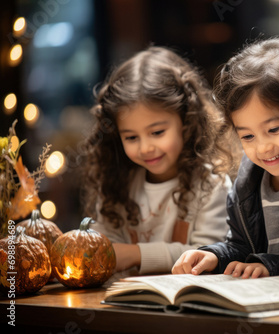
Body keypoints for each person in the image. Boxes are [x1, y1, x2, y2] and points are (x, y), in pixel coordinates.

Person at [172, 37, 279, 278]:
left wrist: (269, 266)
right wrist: (214, 255)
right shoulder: (247, 184)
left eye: (274, 130)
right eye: (247, 136)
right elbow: (241, 248)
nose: (263, 147)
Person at [80, 46, 236, 275]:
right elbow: (105, 246)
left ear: (186, 122)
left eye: (157, 132)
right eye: (131, 137)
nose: (146, 148)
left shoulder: (211, 185)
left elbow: (207, 253)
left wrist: (135, 254)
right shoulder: (115, 184)